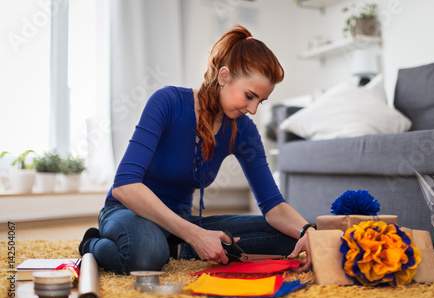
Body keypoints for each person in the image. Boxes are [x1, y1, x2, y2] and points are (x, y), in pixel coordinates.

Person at [79, 25, 314, 274]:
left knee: (289, 240)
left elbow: (273, 205)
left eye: (260, 101)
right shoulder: (167, 102)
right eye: (249, 96)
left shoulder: (244, 130)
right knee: (146, 253)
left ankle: (178, 249)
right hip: (128, 212)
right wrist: (194, 234)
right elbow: (125, 186)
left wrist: (307, 231)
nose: (253, 109)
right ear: (224, 76)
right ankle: (92, 243)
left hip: (181, 222)